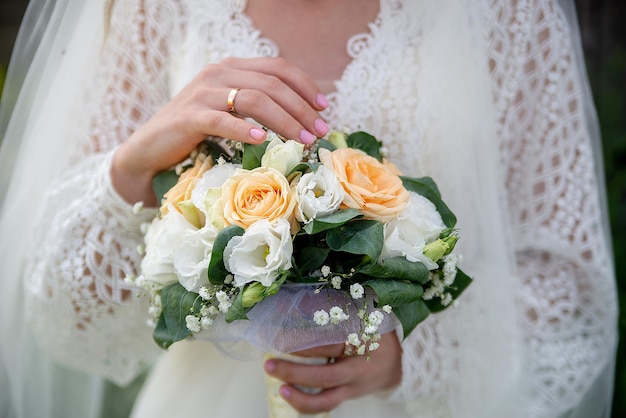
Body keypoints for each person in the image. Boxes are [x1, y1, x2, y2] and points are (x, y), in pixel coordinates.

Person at [0, 0, 618, 417]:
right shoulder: (155, 8)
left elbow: (573, 298)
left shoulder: (508, 14)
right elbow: (68, 318)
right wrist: (135, 164)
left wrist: (411, 353)